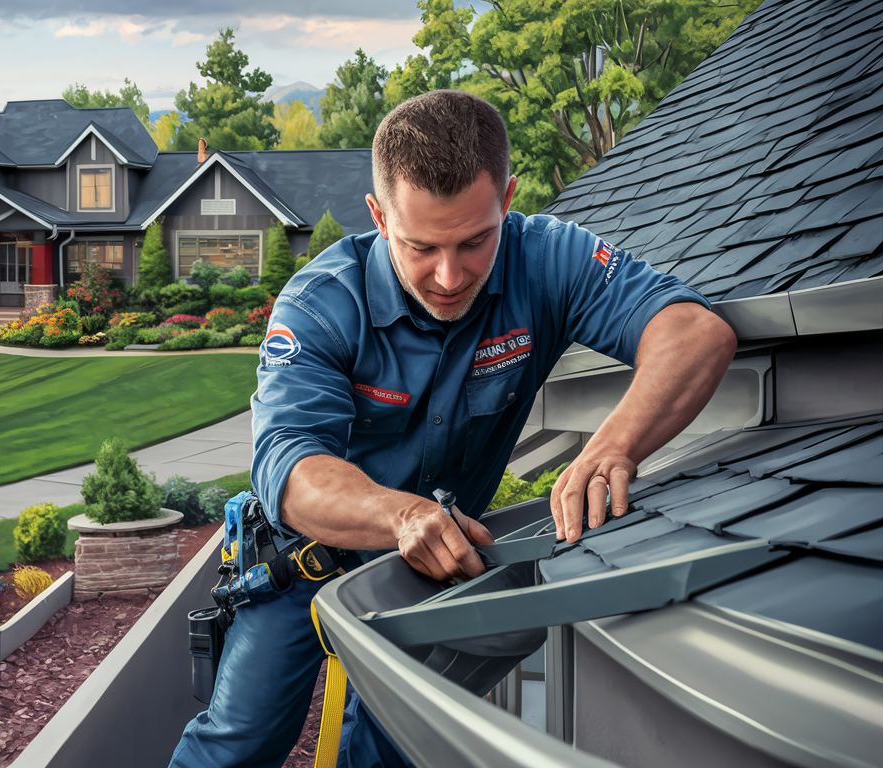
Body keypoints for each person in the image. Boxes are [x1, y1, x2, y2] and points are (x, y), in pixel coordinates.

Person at [169, 90, 737, 768]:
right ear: (378, 217)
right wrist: (403, 515)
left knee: (394, 748)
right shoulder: (321, 302)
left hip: (438, 566)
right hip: (302, 562)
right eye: (420, 246)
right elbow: (293, 471)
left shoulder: (547, 259)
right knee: (237, 744)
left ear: (507, 198)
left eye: (475, 241)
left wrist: (612, 445)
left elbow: (694, 332)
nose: (449, 275)